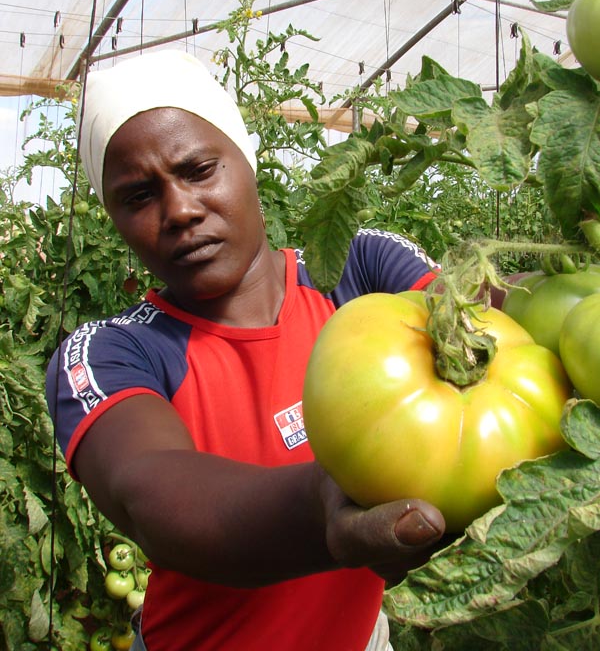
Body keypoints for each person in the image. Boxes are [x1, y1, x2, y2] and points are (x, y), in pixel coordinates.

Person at [46, 49, 445, 651]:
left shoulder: (355, 271)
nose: (180, 211)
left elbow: (482, 316)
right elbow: (152, 492)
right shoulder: (111, 353)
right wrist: (326, 509)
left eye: (199, 170)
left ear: (247, 160)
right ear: (114, 219)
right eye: (138, 197)